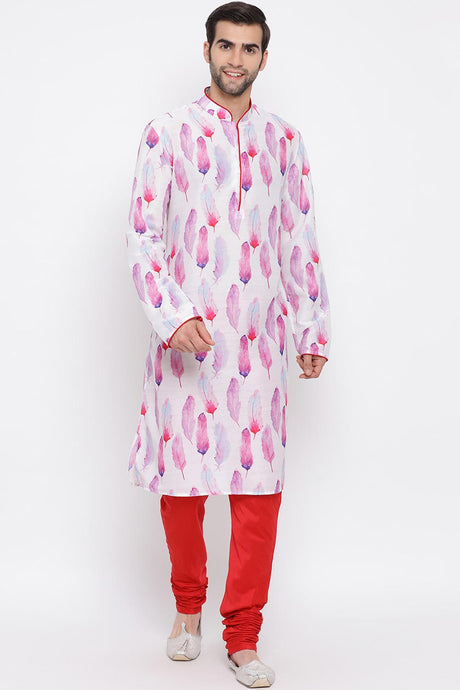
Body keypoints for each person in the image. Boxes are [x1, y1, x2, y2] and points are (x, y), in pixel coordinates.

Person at [125, 2, 331, 686]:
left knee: (258, 494)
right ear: (207, 50)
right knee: (182, 490)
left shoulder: (285, 141)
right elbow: (143, 237)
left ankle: (243, 635)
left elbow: (298, 238)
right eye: (225, 45)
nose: (235, 59)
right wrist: (172, 317)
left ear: (263, 57)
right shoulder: (167, 133)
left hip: (259, 346)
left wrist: (309, 327)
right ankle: (187, 611)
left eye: (248, 48)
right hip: (188, 344)